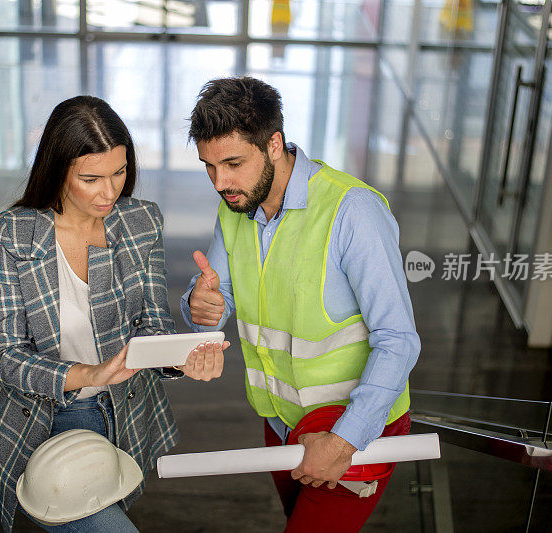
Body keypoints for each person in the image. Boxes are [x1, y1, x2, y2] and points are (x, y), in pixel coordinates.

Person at [0, 95, 227, 532]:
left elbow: (152, 327)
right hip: (46, 421)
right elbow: (4, 355)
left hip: (124, 415)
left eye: (120, 172)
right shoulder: (15, 233)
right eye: (91, 179)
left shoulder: (141, 222)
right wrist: (91, 374)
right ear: (58, 171)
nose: (110, 193)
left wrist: (180, 354)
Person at [180, 77, 420, 531]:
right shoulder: (235, 206)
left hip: (352, 426)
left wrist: (346, 439)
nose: (220, 182)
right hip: (281, 422)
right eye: (209, 166)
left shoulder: (354, 212)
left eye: (233, 163)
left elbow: (399, 341)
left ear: (274, 144)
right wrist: (202, 303)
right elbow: (216, 292)